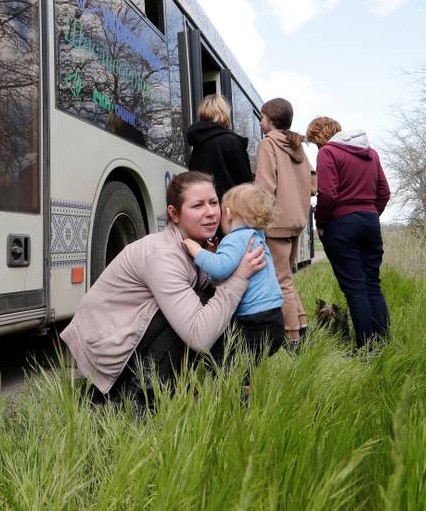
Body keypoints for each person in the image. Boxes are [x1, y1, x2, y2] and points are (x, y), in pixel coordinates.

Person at [60, 171, 266, 405]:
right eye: (197, 205)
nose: (210, 212)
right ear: (174, 214)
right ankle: (139, 398)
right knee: (204, 303)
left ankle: (222, 388)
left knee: (209, 299)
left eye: (213, 202)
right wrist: (238, 278)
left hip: (128, 335)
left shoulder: (194, 247)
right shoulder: (163, 255)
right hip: (106, 351)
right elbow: (199, 335)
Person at [305, 117, 391, 348]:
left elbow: (329, 195)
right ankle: (382, 342)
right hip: (370, 223)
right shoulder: (370, 153)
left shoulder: (328, 152)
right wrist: (370, 213)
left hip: (342, 225)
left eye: (314, 142)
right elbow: (384, 191)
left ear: (319, 136)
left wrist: (321, 222)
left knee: (355, 289)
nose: (317, 147)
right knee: (373, 284)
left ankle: (365, 347)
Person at [181, 184, 284, 371]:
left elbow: (220, 270)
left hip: (254, 321)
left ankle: (237, 396)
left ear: (227, 213)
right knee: (249, 364)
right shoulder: (256, 237)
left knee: (226, 360)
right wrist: (216, 254)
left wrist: (197, 251)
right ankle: (250, 390)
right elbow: (230, 266)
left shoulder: (235, 238)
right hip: (274, 319)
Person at [255, 98, 316, 347]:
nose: (260, 121)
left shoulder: (268, 145)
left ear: (270, 119)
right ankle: (301, 323)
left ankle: (292, 338)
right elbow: (314, 185)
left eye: (262, 116)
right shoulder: (297, 147)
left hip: (276, 223)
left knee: (280, 280)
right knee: (287, 278)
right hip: (296, 222)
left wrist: (256, 218)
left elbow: (265, 188)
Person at [186, 94, 253, 202]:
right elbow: (246, 185)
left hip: (204, 207)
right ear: (224, 113)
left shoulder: (198, 144)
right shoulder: (232, 142)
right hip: (230, 209)